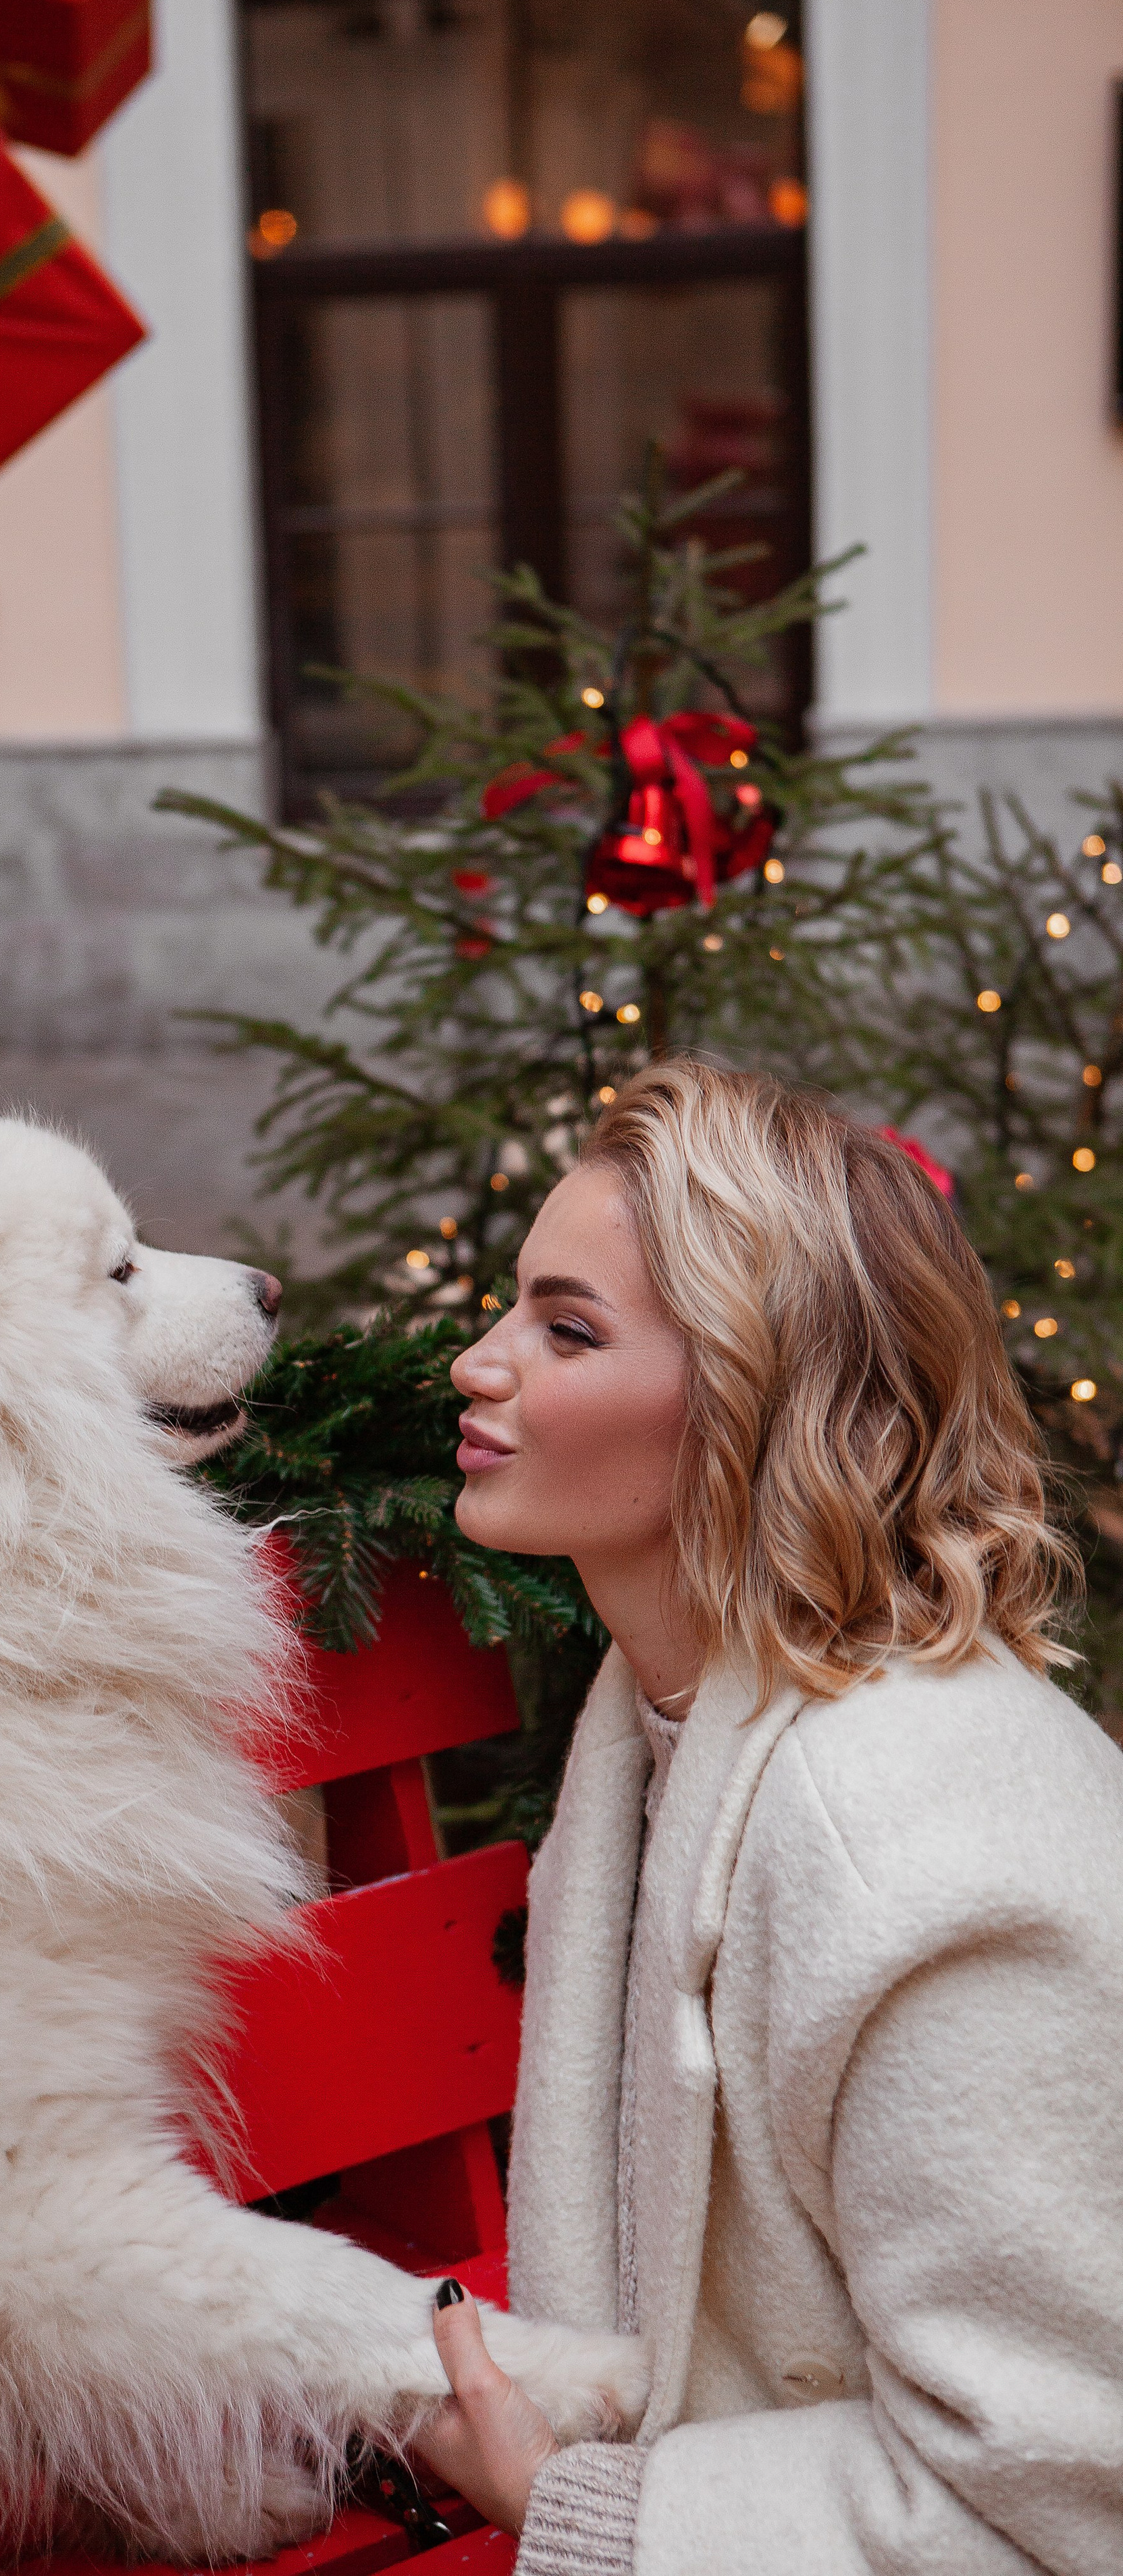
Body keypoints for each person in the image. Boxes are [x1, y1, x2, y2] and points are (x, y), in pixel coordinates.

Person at [407, 1057, 1123, 2574]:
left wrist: (578, 2506)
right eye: (508, 1306)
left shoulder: (917, 1844)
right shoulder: (673, 1727)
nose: (476, 1363)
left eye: (564, 1329)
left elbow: (1068, 2494)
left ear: (747, 1394)